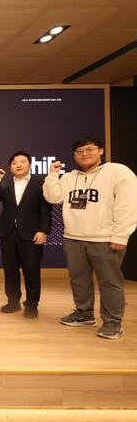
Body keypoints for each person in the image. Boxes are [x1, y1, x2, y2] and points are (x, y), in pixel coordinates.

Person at [43, 137, 137, 339]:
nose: (84, 154)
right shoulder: (69, 177)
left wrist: (121, 234)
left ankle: (113, 322)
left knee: (110, 282)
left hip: (105, 238)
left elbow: (128, 205)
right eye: (79, 151)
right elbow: (53, 197)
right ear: (74, 156)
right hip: (73, 237)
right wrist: (53, 175)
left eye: (89, 149)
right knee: (79, 280)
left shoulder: (118, 172)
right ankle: (84, 314)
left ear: (100, 150)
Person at [0, 151, 52, 318]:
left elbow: (46, 210)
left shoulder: (40, 183)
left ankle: (31, 305)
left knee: (31, 270)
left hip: (32, 234)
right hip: (8, 232)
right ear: (10, 167)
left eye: (22, 161)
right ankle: (13, 301)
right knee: (10, 270)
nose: (18, 165)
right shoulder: (5, 184)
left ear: (30, 164)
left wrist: (43, 230)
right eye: (14, 162)